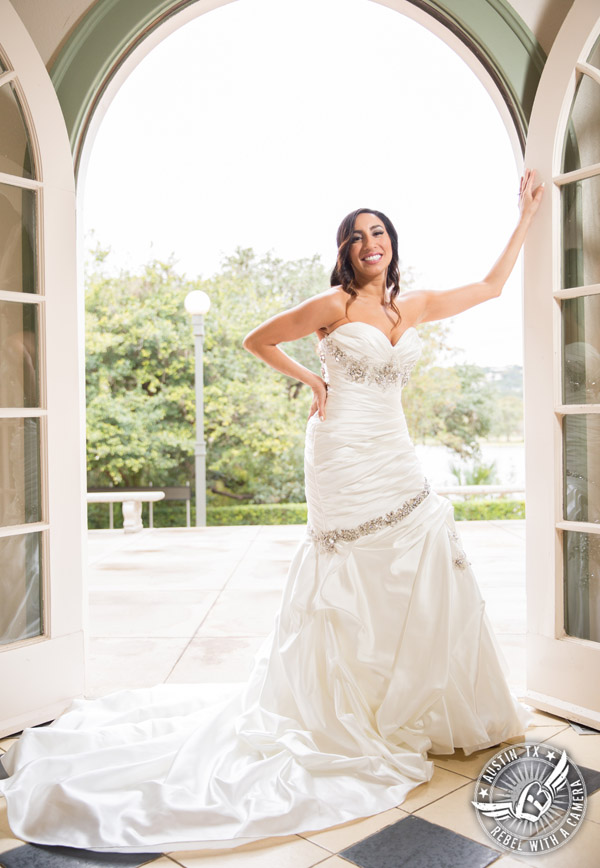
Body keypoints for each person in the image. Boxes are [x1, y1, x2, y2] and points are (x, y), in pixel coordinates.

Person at [0, 170, 544, 854]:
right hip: (342, 450)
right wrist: (313, 377)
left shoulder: (416, 307)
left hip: (394, 450)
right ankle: (343, 714)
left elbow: (491, 287)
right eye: (355, 237)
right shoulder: (333, 305)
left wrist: (523, 217)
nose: (368, 243)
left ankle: (418, 707)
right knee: (348, 575)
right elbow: (257, 340)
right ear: (344, 253)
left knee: (423, 554)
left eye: (377, 233)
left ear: (393, 246)